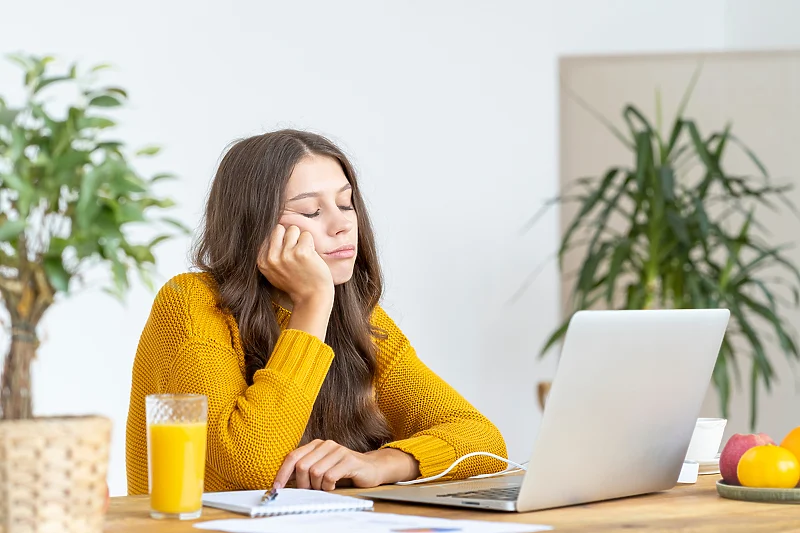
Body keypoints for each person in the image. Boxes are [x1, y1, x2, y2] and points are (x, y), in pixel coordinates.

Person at [125, 129, 507, 495]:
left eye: (345, 203)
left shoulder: (360, 320)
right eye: (311, 211)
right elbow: (249, 462)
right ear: (252, 226)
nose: (342, 225)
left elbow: (483, 441)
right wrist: (313, 302)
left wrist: (380, 463)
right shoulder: (192, 302)